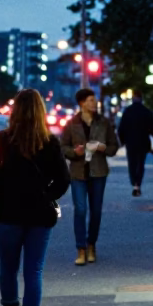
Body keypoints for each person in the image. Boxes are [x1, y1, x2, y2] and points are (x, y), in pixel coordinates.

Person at [0, 88, 70, 306]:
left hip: (9, 212)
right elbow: (63, 179)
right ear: (41, 111)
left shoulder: (2, 139)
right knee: (34, 270)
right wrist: (47, 196)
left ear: (16, 111)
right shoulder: (50, 142)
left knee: (8, 268)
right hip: (40, 215)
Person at [61, 88, 119, 266]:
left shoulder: (104, 123)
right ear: (82, 103)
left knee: (96, 211)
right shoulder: (71, 124)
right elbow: (63, 148)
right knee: (80, 210)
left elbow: (114, 147)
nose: (95, 103)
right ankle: (80, 249)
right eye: (91, 100)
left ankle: (91, 244)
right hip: (78, 172)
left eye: (95, 100)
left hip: (98, 171)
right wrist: (75, 151)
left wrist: (102, 147)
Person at [117, 92, 153, 196]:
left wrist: (123, 141)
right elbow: (152, 129)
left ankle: (134, 183)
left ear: (133, 99)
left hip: (130, 142)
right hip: (143, 142)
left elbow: (121, 128)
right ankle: (138, 183)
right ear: (141, 99)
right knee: (141, 163)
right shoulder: (146, 112)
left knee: (132, 163)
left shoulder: (128, 111)